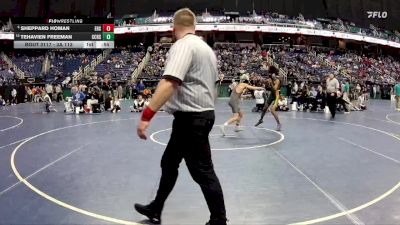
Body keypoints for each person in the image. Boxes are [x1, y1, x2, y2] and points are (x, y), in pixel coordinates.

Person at [135, 8, 227, 225]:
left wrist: (147, 114)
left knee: (202, 171)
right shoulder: (207, 50)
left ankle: (219, 220)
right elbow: (212, 87)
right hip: (198, 115)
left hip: (191, 118)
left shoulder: (183, 46)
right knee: (169, 162)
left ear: (173, 29)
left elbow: (170, 82)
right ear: (195, 27)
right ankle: (156, 208)